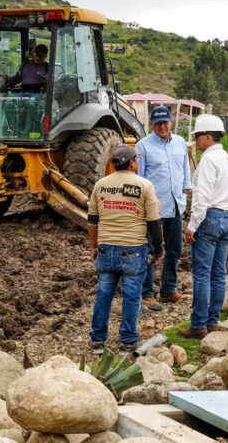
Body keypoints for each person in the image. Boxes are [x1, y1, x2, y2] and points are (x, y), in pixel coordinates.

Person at [88, 145, 163, 353]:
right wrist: (158, 251)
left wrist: (93, 245)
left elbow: (92, 220)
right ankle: (128, 341)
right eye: (136, 160)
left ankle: (97, 340)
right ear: (131, 162)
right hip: (133, 250)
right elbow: (154, 223)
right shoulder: (144, 185)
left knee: (104, 294)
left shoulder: (101, 185)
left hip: (106, 249)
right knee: (131, 296)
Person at [178, 115, 228, 339]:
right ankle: (212, 322)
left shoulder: (208, 161)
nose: (196, 141)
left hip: (209, 218)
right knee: (218, 274)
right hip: (226, 216)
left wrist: (192, 226)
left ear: (208, 136)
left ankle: (198, 325)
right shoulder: (227, 159)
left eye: (198, 136)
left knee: (202, 274)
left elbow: (202, 198)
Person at [135, 105, 192, 311]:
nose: (162, 127)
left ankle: (168, 290)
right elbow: (139, 178)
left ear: (171, 122)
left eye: (165, 122)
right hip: (153, 209)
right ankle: (147, 293)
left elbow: (185, 168)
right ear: (152, 124)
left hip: (175, 205)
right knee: (150, 250)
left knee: (175, 249)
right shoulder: (143, 146)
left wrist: (186, 188)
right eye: (158, 123)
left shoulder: (180, 142)